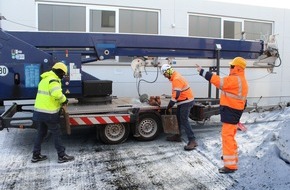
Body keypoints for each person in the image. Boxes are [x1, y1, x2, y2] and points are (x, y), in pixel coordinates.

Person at [196, 57, 248, 174]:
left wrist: (202, 72)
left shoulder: (235, 80)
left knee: (227, 137)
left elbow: (218, 81)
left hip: (231, 112)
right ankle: (231, 157)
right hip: (233, 112)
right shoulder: (240, 80)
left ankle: (230, 166)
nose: (230, 67)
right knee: (230, 136)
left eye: (232, 66)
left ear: (237, 68)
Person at [31, 62, 75, 163]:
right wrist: (64, 100)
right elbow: (56, 94)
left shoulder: (44, 79)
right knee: (56, 133)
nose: (63, 77)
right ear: (59, 72)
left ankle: (35, 155)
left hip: (39, 112)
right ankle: (61, 155)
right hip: (49, 113)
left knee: (41, 133)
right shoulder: (54, 80)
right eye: (63, 74)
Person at [161, 64, 198, 151]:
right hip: (183, 101)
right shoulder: (175, 77)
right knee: (178, 118)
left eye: (165, 74)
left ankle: (192, 140)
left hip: (186, 101)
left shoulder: (176, 79)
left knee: (184, 120)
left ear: (168, 72)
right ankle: (178, 136)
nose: (165, 76)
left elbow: (176, 95)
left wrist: (170, 105)